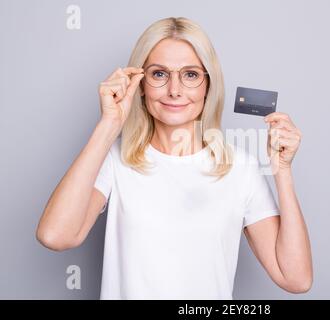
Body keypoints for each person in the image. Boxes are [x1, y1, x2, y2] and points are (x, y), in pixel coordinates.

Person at [36, 17, 313, 300]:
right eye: (159, 74)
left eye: (190, 75)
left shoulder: (241, 169)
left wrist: (283, 171)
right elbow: (56, 236)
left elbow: (296, 278)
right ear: (140, 84)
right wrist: (109, 124)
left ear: (208, 85)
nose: (175, 90)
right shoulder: (116, 160)